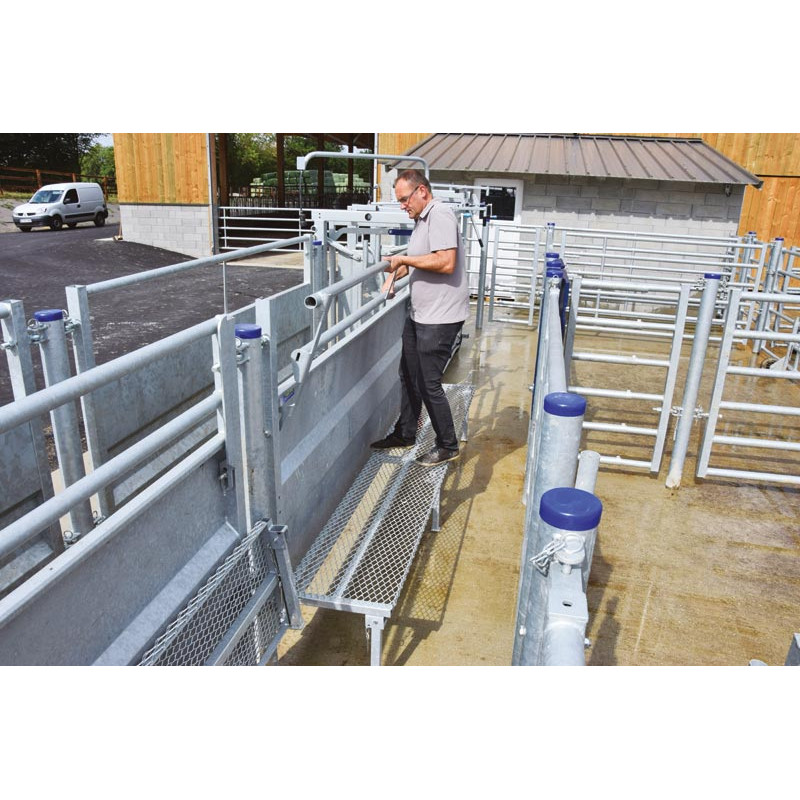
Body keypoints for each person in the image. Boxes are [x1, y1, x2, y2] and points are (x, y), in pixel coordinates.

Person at [371, 169, 469, 466]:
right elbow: (421, 262)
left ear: (422, 191)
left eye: (404, 199)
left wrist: (404, 259)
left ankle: (447, 445)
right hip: (421, 313)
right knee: (409, 375)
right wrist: (396, 270)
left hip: (440, 317)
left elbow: (445, 261)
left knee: (428, 382)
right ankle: (406, 432)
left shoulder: (439, 215)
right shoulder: (421, 220)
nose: (402, 205)